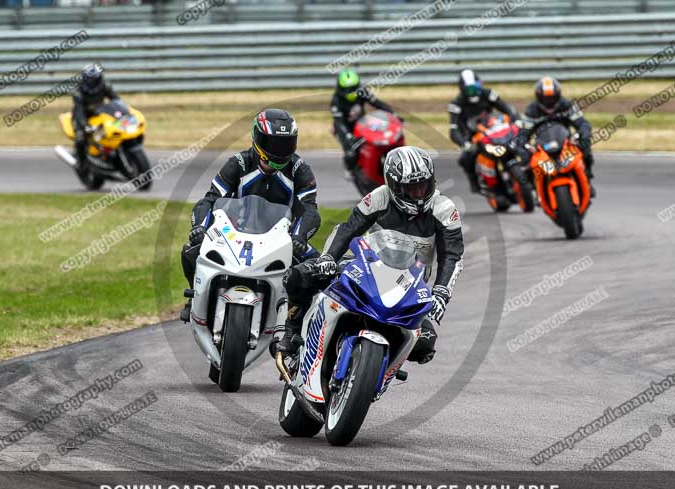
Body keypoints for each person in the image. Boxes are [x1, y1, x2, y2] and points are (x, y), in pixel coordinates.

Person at [277, 146, 464, 365]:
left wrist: (441, 293)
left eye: (423, 186)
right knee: (299, 277)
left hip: (409, 284)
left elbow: (452, 256)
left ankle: (380, 368)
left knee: (425, 344)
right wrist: (328, 258)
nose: (419, 195)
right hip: (366, 267)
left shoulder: (444, 209)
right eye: (411, 189)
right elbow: (348, 229)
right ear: (393, 186)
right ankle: (291, 331)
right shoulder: (379, 197)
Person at [180, 108, 321, 322]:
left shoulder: (299, 169)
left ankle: (296, 321)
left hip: (282, 238)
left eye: (286, 144)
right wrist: (199, 226)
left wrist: (299, 237)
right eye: (273, 144)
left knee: (317, 267)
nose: (280, 151)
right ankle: (195, 297)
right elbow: (210, 199)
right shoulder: (238, 163)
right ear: (257, 138)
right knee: (191, 250)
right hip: (234, 234)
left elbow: (310, 209)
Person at [448, 68, 518, 193]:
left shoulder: (488, 94)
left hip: (493, 130)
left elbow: (507, 109)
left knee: (517, 142)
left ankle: (523, 168)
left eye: (476, 86)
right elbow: (453, 130)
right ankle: (474, 181)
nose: (474, 91)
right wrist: (464, 143)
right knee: (466, 158)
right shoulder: (456, 104)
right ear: (462, 89)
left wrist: (516, 120)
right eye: (470, 89)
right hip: (472, 135)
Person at [523, 77, 595, 193]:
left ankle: (587, 177)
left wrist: (582, 132)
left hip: (565, 142)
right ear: (538, 97)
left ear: (558, 96)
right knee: (524, 157)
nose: (549, 101)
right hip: (542, 145)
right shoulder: (532, 110)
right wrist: (525, 144)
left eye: (552, 98)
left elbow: (583, 123)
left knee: (585, 143)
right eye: (545, 99)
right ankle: (533, 187)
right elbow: (523, 132)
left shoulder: (567, 105)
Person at [331, 68, 397, 177]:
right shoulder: (336, 101)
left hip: (360, 123)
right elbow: (339, 122)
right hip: (344, 127)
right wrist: (348, 136)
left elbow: (377, 103)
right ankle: (350, 169)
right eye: (347, 89)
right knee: (351, 151)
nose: (351, 91)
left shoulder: (362, 92)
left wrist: (393, 114)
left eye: (353, 88)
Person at [72, 63, 119, 180]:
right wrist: (84, 125)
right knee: (80, 138)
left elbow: (115, 99)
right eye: (90, 79)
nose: (92, 82)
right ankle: (81, 164)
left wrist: (120, 112)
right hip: (83, 116)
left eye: (95, 79)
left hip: (99, 113)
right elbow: (79, 110)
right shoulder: (78, 91)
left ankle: (110, 153)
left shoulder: (105, 85)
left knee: (112, 129)